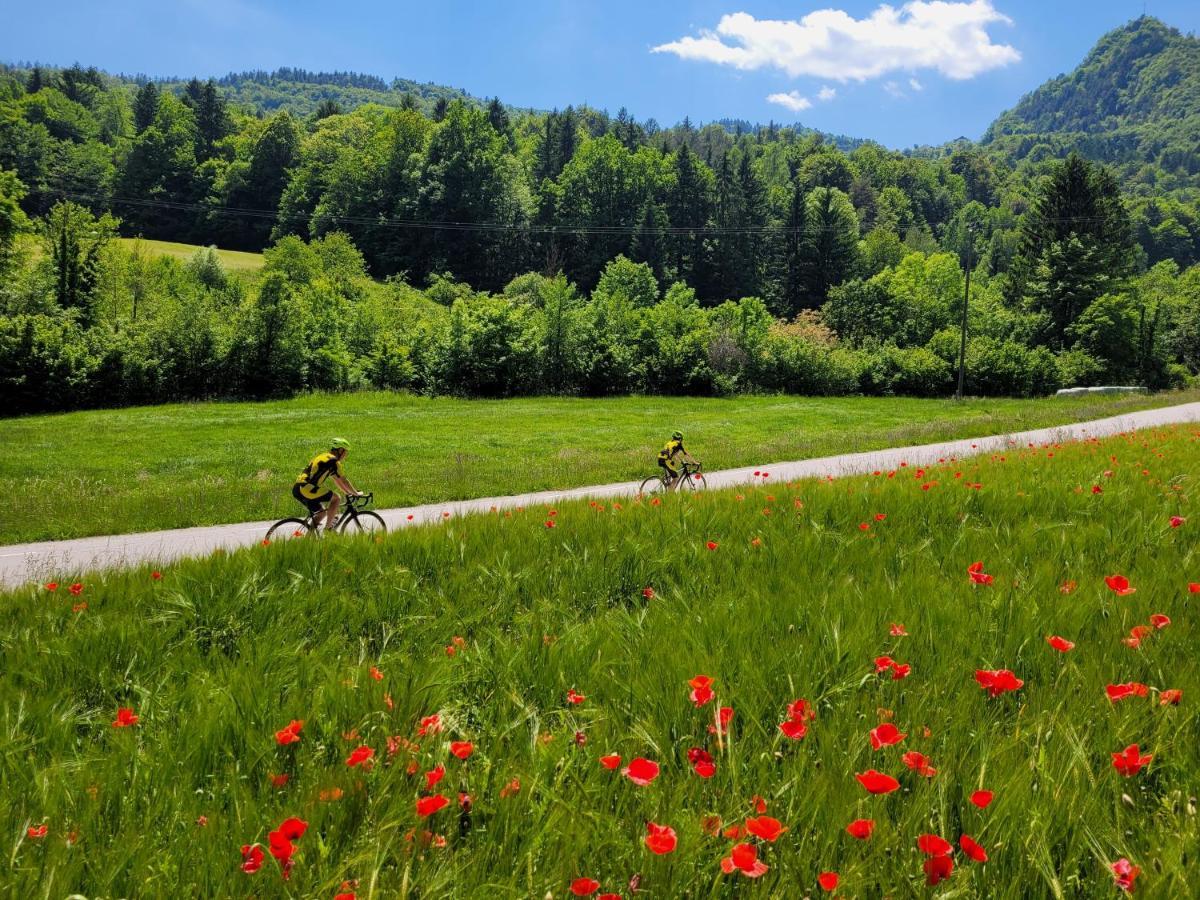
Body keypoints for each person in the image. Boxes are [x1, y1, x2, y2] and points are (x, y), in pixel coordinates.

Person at [293, 438, 361, 531]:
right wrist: (355, 493)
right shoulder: (334, 461)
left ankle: (310, 539)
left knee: (321, 513)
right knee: (336, 498)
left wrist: (347, 492)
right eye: (345, 452)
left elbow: (337, 480)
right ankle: (328, 529)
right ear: (340, 450)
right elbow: (344, 480)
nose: (346, 455)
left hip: (298, 488)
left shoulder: (325, 457)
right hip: (307, 488)